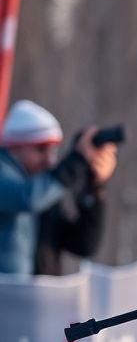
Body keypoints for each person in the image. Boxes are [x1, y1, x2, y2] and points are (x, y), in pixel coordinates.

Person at [0, 100, 118, 276]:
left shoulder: (42, 188)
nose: (50, 161)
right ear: (13, 146)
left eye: (53, 151)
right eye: (41, 150)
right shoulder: (22, 186)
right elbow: (27, 198)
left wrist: (94, 186)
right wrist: (77, 160)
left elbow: (82, 244)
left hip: (33, 299)